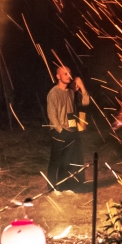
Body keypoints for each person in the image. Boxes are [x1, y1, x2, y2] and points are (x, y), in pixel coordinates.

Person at [45, 64, 87, 192]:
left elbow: (86, 102)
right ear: (58, 76)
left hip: (71, 130)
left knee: (66, 162)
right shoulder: (53, 93)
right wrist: (60, 131)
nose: (69, 76)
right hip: (59, 132)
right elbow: (52, 115)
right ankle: (51, 188)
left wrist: (82, 86)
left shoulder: (70, 92)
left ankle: (62, 186)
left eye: (69, 73)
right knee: (55, 161)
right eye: (65, 74)